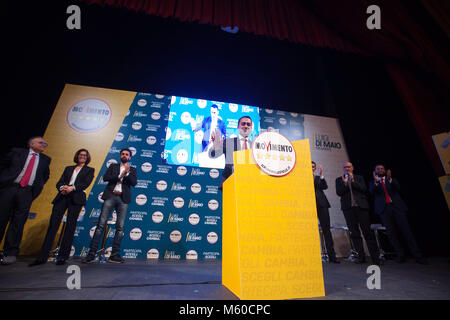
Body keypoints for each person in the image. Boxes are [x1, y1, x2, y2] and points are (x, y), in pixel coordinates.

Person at [29, 149, 95, 266]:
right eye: (80, 155)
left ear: (87, 158)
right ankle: (42, 256)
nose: (82, 157)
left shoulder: (90, 170)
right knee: (53, 225)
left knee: (70, 227)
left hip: (76, 199)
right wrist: (62, 188)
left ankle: (62, 257)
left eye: (85, 155)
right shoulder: (68, 168)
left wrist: (72, 188)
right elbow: (59, 182)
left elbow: (85, 184)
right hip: (62, 197)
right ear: (77, 156)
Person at [0, 136, 51, 265]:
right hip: (9, 188)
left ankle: (10, 253)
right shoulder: (17, 152)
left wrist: (34, 188)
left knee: (18, 222)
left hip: (26, 192)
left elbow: (45, 176)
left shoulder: (46, 159)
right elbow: (4, 165)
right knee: (1, 218)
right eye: (41, 142)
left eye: (45, 143)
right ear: (31, 144)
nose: (44, 144)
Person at [82, 148, 137, 264]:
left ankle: (114, 254)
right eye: (123, 154)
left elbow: (134, 182)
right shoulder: (113, 166)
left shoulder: (132, 169)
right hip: (110, 196)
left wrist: (126, 174)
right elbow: (106, 178)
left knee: (120, 228)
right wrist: (120, 175)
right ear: (120, 155)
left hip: (123, 199)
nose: (124, 155)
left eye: (127, 154)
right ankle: (91, 254)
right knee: (101, 225)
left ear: (130, 157)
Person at [369, 164, 427, 264]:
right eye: (378, 169)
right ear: (375, 171)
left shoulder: (391, 179)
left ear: (385, 170)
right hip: (384, 210)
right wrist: (377, 182)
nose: (380, 170)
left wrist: (390, 178)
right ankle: (400, 255)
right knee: (392, 234)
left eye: (382, 168)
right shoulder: (373, 182)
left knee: (406, 231)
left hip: (397, 208)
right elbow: (372, 192)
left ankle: (417, 255)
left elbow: (397, 187)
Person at [335, 162, 381, 265]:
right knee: (354, 233)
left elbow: (364, 189)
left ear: (353, 168)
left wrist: (352, 181)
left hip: (361, 208)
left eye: (349, 167)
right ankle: (361, 257)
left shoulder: (359, 178)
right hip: (348, 209)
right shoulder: (339, 180)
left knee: (367, 233)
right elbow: (339, 192)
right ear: (343, 169)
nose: (347, 168)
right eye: (345, 167)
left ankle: (375, 258)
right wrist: (346, 184)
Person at [209, 115, 253, 190]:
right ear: (238, 127)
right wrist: (215, 146)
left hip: (250, 184)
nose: (246, 126)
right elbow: (212, 155)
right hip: (230, 181)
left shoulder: (255, 146)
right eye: (243, 124)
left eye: (248, 124)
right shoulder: (229, 142)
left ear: (251, 128)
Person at [312, 161, 339, 263]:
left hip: (322, 204)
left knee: (326, 230)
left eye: (313, 166)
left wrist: (321, 175)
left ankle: (332, 257)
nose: (311, 168)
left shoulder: (319, 178)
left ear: (315, 168)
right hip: (308, 206)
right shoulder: (302, 178)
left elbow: (325, 187)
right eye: (309, 166)